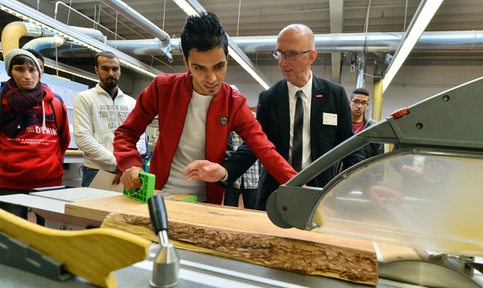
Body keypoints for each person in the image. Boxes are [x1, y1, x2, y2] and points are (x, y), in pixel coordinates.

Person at [113, 12, 296, 204]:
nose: (211, 79)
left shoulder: (234, 103)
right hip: (159, 194)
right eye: (199, 68)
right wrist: (130, 164)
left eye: (219, 66)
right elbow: (127, 133)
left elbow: (265, 150)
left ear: (226, 57)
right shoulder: (162, 88)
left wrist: (299, 188)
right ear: (186, 62)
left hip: (206, 202)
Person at [222, 24, 363, 210]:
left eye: (290, 55)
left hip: (319, 193)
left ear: (311, 56)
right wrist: (225, 171)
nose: (281, 62)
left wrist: (368, 180)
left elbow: (348, 146)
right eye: (279, 53)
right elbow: (254, 145)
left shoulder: (334, 95)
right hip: (275, 192)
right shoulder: (270, 98)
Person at [0, 48, 70, 220]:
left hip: (47, 182)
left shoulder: (55, 103)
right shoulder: (2, 102)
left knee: (48, 237)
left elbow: (63, 140)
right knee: (13, 236)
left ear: (40, 72)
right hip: (8, 182)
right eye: (19, 69)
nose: (27, 76)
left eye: (32, 70)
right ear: (10, 72)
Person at [73, 51, 147, 187]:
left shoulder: (131, 102)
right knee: (92, 208)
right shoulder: (84, 98)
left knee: (126, 208)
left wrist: (127, 164)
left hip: (127, 172)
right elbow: (83, 138)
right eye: (105, 69)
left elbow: (140, 136)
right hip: (96, 170)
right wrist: (119, 162)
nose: (111, 73)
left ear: (120, 71)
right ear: (96, 70)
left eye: (115, 69)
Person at [224, 130, 261, 209]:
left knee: (253, 213)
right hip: (233, 176)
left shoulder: (257, 123)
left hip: (253, 176)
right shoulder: (231, 124)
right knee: (228, 211)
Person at [350, 87, 384, 158]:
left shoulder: (374, 127)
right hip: (342, 169)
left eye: (363, 103)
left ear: (367, 105)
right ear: (349, 102)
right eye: (356, 101)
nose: (359, 106)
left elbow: (379, 156)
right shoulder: (341, 124)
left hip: (364, 168)